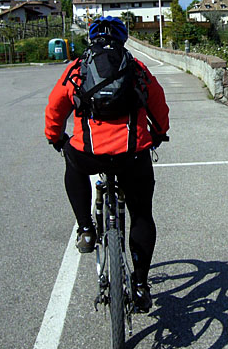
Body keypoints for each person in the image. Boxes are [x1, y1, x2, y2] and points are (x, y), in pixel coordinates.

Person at [44, 16, 169, 311]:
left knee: (72, 162)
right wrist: (159, 133)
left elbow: (55, 105)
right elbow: (158, 101)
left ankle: (86, 228)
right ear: (123, 40)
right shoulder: (136, 68)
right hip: (132, 154)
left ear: (92, 40)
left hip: (89, 153)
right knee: (141, 214)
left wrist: (55, 138)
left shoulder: (77, 68)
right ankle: (139, 285)